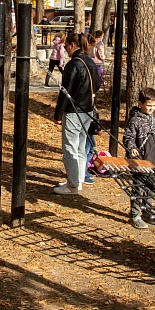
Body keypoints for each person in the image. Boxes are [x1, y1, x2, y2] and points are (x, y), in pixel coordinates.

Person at [52, 33, 100, 195]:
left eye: (65, 46)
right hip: (87, 110)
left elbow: (65, 91)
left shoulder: (73, 65)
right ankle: (77, 180)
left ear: (73, 45)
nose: (64, 49)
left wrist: (58, 114)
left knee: (70, 148)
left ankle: (72, 185)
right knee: (80, 147)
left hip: (74, 111)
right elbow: (97, 85)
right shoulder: (90, 62)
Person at [123, 88, 155, 229]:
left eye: (154, 106)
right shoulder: (135, 120)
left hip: (154, 159)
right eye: (148, 105)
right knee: (138, 187)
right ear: (141, 103)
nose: (151, 108)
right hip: (140, 159)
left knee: (151, 187)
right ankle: (135, 214)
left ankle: (148, 210)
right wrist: (132, 148)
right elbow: (128, 137)